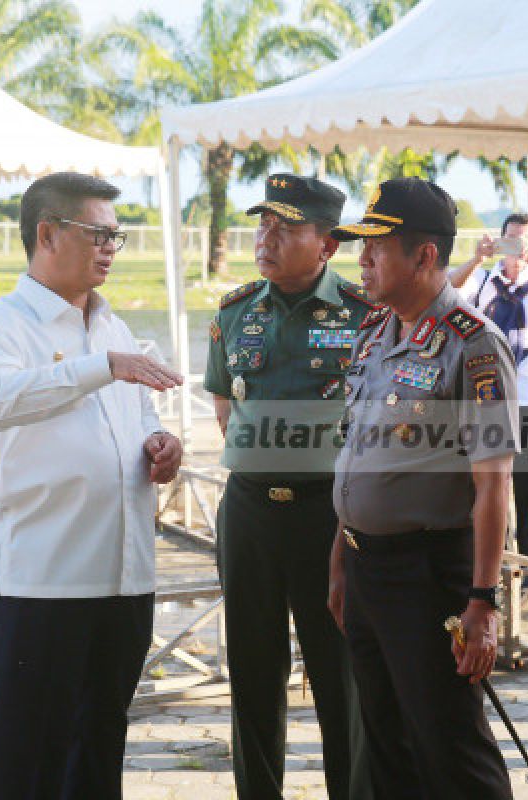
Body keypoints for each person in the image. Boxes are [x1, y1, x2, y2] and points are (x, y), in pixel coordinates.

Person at [0, 172, 185, 800]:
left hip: (122, 580)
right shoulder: (1, 326)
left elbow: (139, 415)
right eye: (100, 233)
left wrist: (160, 442)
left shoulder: (112, 326)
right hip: (40, 584)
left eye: (118, 236)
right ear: (47, 233)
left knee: (96, 755)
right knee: (28, 763)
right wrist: (102, 367)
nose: (111, 247)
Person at [327, 177, 518, 798]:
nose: (362, 262)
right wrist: (340, 561)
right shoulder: (376, 333)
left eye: (374, 249)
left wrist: (484, 604)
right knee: (386, 742)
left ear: (424, 256)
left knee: (449, 746)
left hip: (427, 573)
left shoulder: (472, 344)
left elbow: (493, 488)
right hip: (364, 568)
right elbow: (356, 456)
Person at [203, 173, 374, 800]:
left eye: (286, 228)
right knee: (251, 672)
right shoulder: (234, 310)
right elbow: (226, 409)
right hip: (249, 513)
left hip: (328, 518)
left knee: (340, 676)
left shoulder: (365, 315)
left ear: (327, 244)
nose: (266, 239)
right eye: (262, 225)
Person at [449, 212, 528, 561]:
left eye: (524, 240)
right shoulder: (485, 280)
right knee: (491, 487)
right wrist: (478, 256)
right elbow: (448, 290)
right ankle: (499, 565)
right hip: (489, 400)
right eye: (511, 238)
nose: (516, 247)